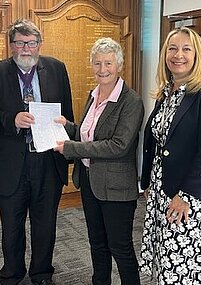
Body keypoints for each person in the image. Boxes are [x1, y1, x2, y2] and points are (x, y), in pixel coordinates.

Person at [0, 18, 74, 285]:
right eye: (20, 43)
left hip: (47, 161)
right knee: (12, 226)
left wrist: (69, 149)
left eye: (31, 43)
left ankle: (42, 274)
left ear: (39, 45)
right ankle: (12, 274)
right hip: (10, 165)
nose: (26, 49)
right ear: (11, 45)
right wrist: (11, 120)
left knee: (45, 225)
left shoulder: (56, 69)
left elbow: (66, 111)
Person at [138, 27, 201, 284]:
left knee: (184, 264)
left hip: (189, 195)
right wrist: (148, 182)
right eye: (173, 48)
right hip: (161, 190)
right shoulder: (166, 94)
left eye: (186, 49)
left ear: (197, 55)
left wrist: (185, 195)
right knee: (166, 259)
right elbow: (155, 142)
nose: (178, 55)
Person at [54, 37, 144, 284]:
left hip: (116, 188)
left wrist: (71, 147)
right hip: (90, 181)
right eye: (97, 63)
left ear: (120, 65)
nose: (102, 69)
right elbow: (89, 134)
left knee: (120, 247)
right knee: (97, 243)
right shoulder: (93, 96)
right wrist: (69, 127)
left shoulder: (131, 101)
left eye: (108, 63)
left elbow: (118, 146)